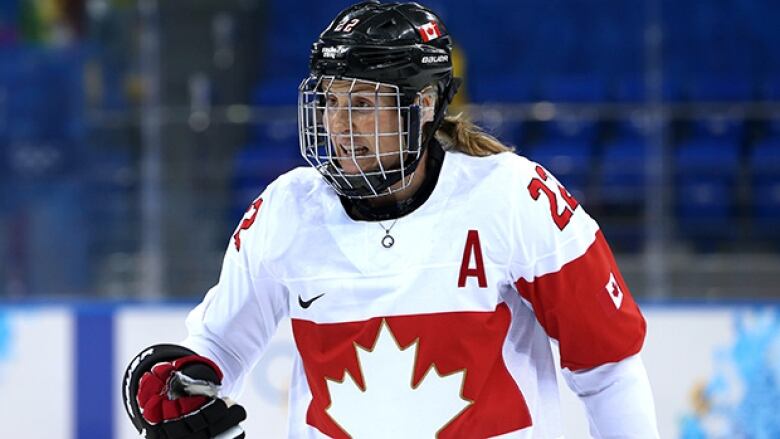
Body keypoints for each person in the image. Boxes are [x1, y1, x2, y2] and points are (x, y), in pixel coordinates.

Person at [122, 1, 660, 438]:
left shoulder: (514, 198)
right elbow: (221, 347)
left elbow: (608, 368)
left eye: (361, 102)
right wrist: (180, 385)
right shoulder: (287, 211)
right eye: (330, 102)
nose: (338, 123)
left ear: (423, 105)